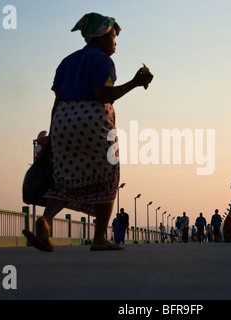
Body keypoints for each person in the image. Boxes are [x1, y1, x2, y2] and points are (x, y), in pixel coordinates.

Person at [22, 12, 153, 252]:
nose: (115, 42)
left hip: (63, 122)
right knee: (108, 178)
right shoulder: (103, 60)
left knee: (63, 179)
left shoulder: (67, 61)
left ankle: (45, 221)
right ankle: (99, 239)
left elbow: (57, 101)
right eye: (113, 36)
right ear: (102, 37)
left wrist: (52, 135)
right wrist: (134, 82)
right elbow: (102, 95)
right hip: (93, 123)